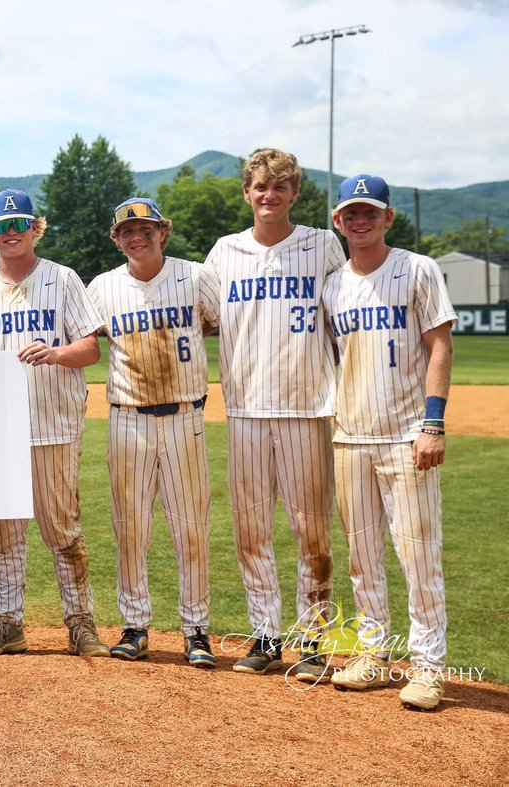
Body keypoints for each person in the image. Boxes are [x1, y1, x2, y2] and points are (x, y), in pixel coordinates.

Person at [204, 148, 345, 679]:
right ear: (247, 192)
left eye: (280, 186)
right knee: (251, 531)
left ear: (294, 194)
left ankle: (313, 640)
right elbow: (204, 317)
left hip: (306, 407)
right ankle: (265, 635)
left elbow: (344, 315)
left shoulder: (322, 244)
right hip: (244, 409)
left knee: (312, 533)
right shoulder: (225, 251)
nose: (270, 195)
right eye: (261, 186)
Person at [322, 174, 455, 710]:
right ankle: (374, 654)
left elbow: (440, 346)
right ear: (338, 221)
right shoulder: (332, 286)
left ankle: (428, 666)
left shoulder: (417, 269)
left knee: (419, 557)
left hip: (406, 436)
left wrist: (433, 424)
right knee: (362, 558)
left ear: (388, 218)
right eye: (351, 213)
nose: (360, 221)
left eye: (370, 212)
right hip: (350, 438)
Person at [0, 189, 110, 658]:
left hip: (53, 425)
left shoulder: (63, 278)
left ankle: (81, 623)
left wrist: (57, 353)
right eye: (2, 226)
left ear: (35, 229)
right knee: (5, 533)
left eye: (20, 224)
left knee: (62, 530)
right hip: (0, 432)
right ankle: (9, 623)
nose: (11, 233)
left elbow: (91, 348)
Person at [87, 198, 220, 668]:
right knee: (130, 527)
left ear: (163, 231)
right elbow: (87, 338)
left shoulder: (196, 276)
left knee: (192, 527)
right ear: (117, 239)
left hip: (185, 416)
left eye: (145, 228)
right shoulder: (103, 287)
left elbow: (213, 323)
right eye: (126, 231)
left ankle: (196, 629)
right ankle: (135, 625)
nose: (136, 236)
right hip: (128, 418)